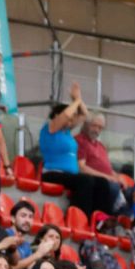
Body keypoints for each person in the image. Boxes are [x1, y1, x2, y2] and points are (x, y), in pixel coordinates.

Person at [39, 83, 111, 216]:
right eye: (70, 117)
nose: (72, 120)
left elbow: (85, 115)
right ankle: (79, 217)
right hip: (53, 173)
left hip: (69, 176)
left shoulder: (66, 132)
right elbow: (66, 116)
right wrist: (76, 101)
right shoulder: (50, 128)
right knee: (85, 180)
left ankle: (100, 219)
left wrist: (78, 99)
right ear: (56, 116)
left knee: (101, 182)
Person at [75, 112, 123, 212]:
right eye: (94, 125)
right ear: (86, 124)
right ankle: (106, 219)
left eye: (100, 127)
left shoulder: (101, 145)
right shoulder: (80, 141)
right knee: (113, 188)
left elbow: (108, 169)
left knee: (132, 192)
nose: (96, 130)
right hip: (93, 180)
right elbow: (81, 167)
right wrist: (107, 177)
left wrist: (117, 177)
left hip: (106, 179)